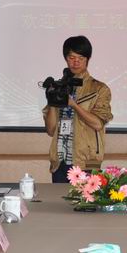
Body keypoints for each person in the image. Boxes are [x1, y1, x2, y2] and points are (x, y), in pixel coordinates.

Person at [43, 36, 113, 183]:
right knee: (59, 198)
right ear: (66, 59)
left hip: (88, 162)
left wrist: (73, 105)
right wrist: (52, 101)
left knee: (88, 197)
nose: (76, 62)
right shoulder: (59, 88)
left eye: (81, 58)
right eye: (71, 58)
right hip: (60, 162)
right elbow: (50, 130)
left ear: (87, 59)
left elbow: (97, 124)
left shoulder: (99, 89)